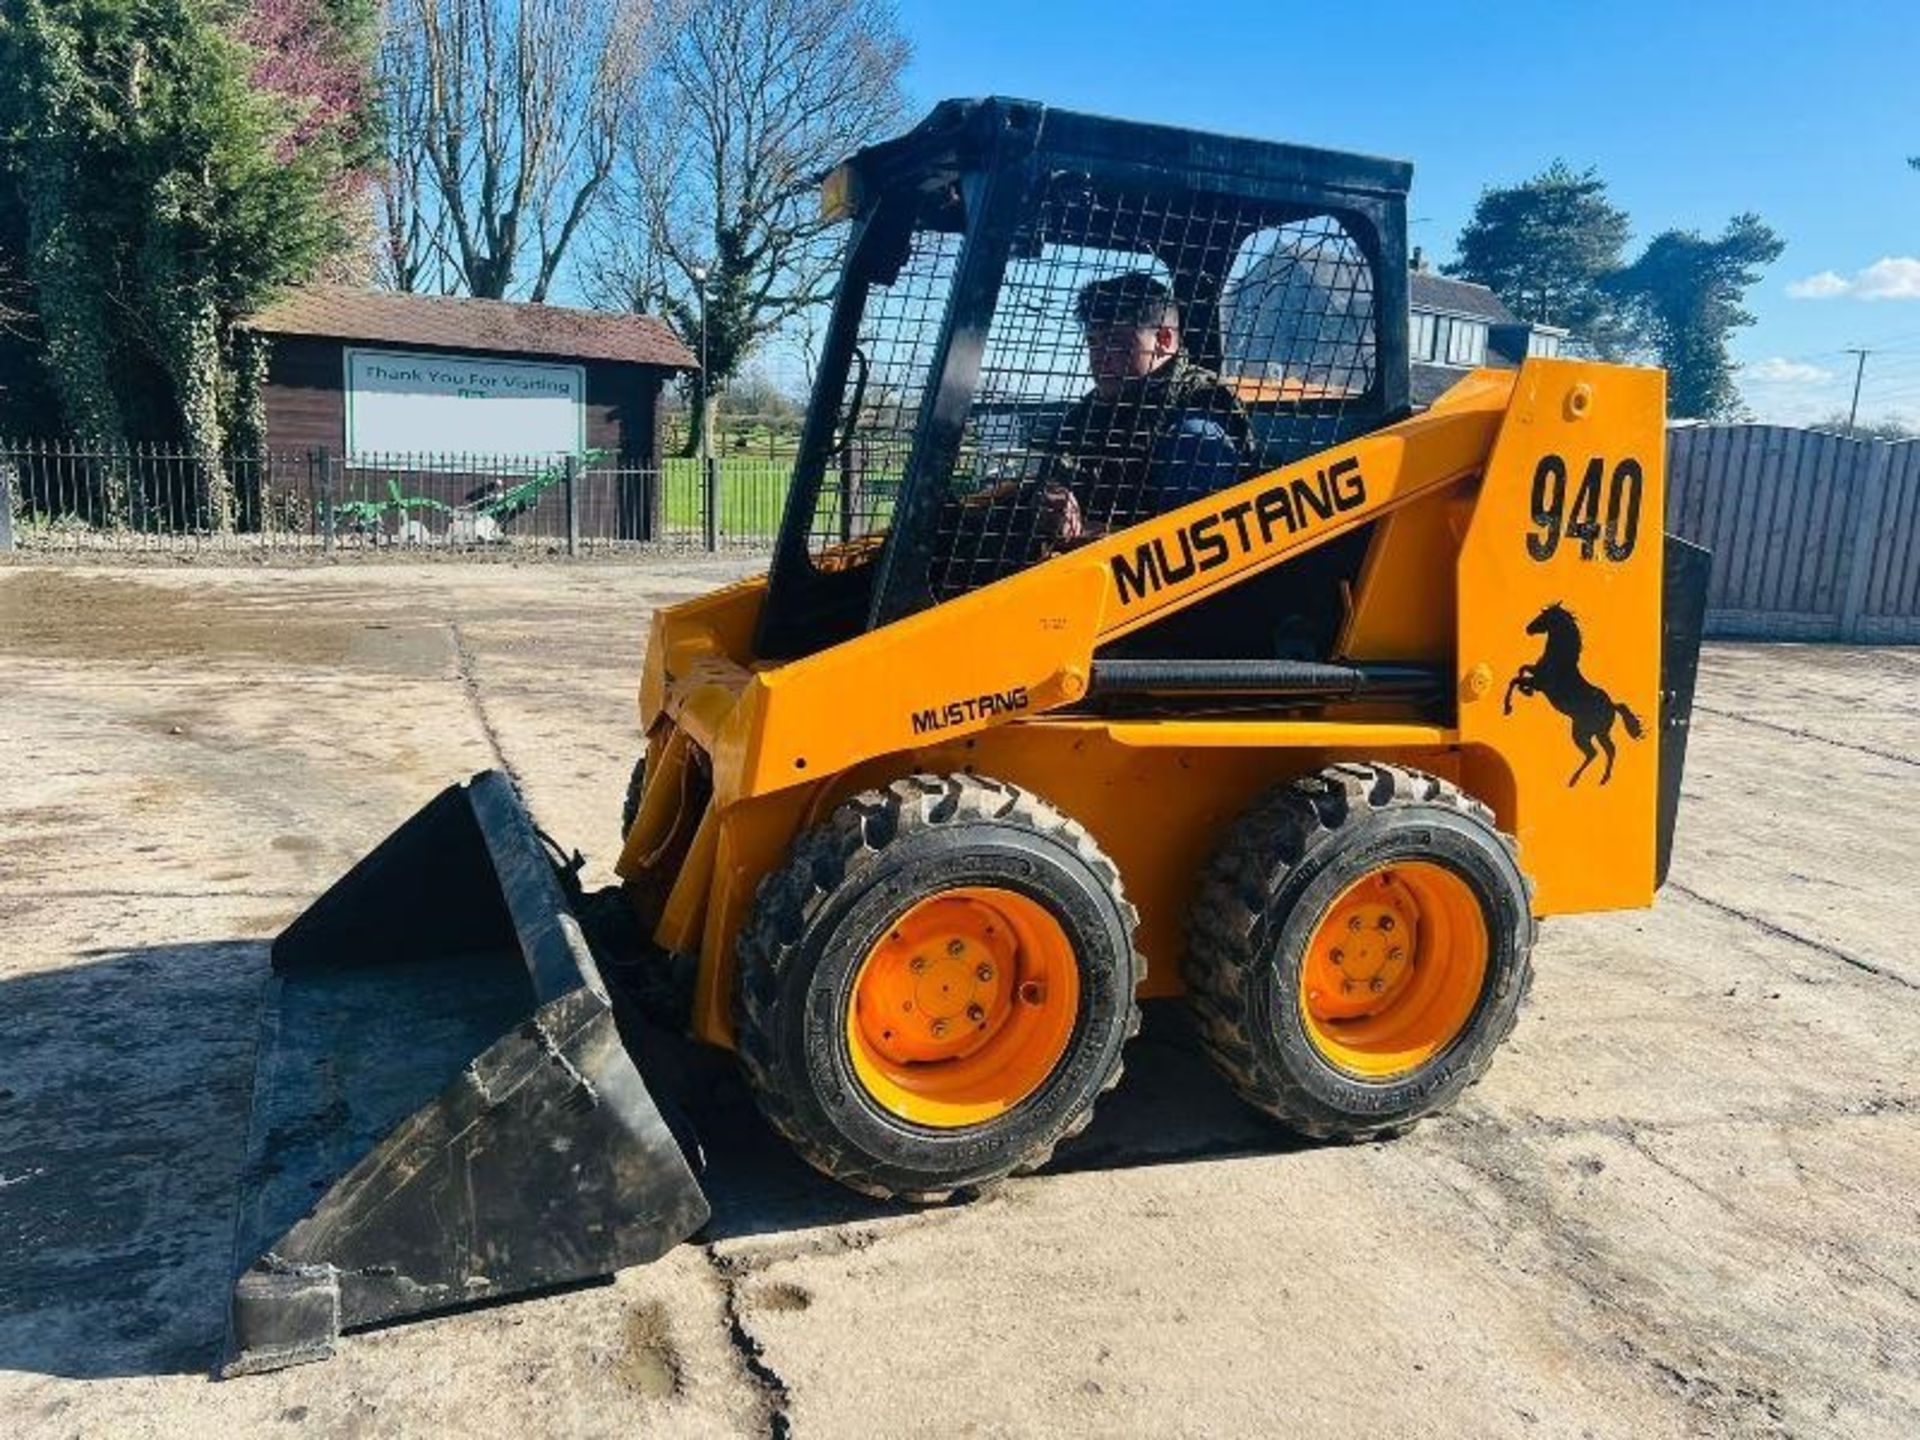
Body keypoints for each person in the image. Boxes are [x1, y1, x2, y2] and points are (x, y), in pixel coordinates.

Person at [1039, 271, 1251, 546]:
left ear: (1163, 340)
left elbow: (1194, 546)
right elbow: (1054, 469)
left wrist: (1092, 533)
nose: (1100, 358)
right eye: (1093, 342)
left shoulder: (1199, 423)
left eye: (1116, 341)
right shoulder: (1090, 412)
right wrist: (1052, 497)